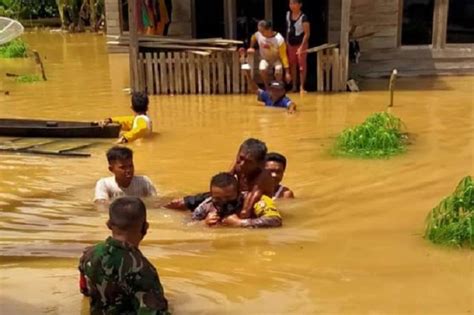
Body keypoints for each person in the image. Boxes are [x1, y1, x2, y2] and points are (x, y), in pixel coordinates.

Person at [79, 197, 170, 314]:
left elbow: (84, 290)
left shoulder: (88, 254)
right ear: (146, 227)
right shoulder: (143, 269)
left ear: (108, 224)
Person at [166, 139, 275, 220]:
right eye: (240, 158)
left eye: (248, 162)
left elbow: (247, 209)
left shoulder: (264, 175)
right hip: (227, 197)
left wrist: (233, 222)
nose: (241, 164)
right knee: (177, 203)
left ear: (260, 164)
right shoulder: (238, 163)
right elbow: (225, 181)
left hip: (241, 202)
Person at [192, 172, 282, 228]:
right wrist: (203, 223)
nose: (223, 202)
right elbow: (187, 225)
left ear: (239, 193)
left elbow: (275, 220)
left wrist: (240, 223)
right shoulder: (207, 206)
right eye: (218, 198)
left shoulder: (255, 201)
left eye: (228, 198)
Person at [248, 20, 291, 88]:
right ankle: (267, 87)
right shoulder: (259, 34)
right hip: (265, 58)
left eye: (262, 31)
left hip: (276, 59)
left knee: (278, 70)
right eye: (260, 31)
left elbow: (284, 56)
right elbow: (253, 37)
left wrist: (287, 72)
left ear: (269, 29)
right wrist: (251, 47)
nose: (261, 33)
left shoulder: (279, 39)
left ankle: (278, 88)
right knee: (262, 68)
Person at [286, 0, 310, 93]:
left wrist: (302, 46)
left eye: (294, 3)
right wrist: (287, 41)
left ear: (300, 5)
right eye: (290, 3)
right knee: (292, 64)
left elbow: (307, 33)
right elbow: (288, 29)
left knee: (301, 66)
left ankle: (302, 87)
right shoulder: (288, 15)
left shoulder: (304, 17)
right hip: (290, 44)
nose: (292, 5)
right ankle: (294, 86)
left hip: (301, 44)